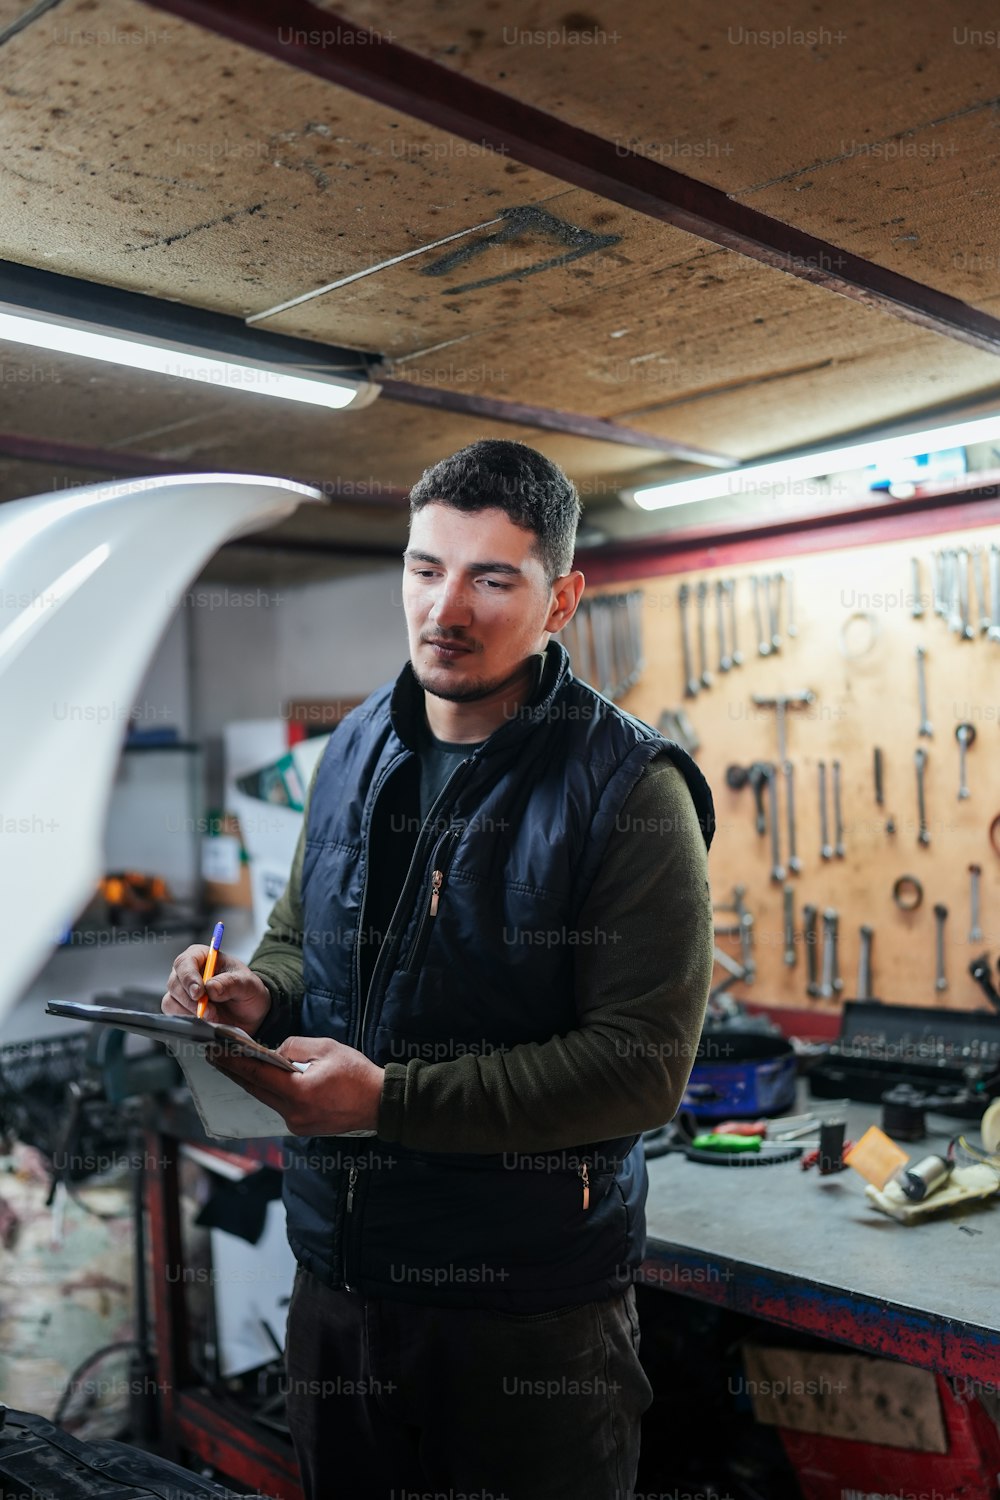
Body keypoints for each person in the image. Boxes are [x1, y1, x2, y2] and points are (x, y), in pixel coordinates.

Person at [162, 439, 716, 1500]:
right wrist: (259, 990)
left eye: (491, 578)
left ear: (560, 601)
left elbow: (638, 1070)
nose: (444, 609)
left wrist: (390, 1103)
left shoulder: (629, 793)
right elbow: (296, 931)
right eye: (425, 568)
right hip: (335, 1280)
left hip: (525, 1321)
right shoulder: (354, 746)